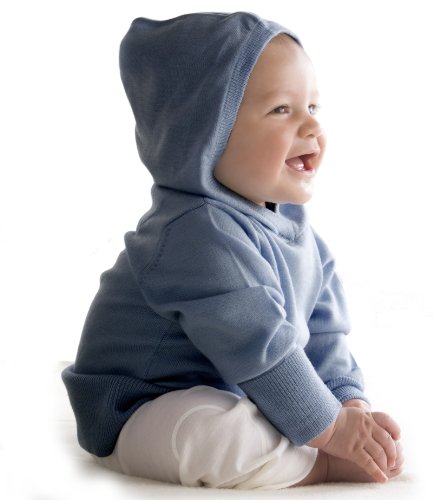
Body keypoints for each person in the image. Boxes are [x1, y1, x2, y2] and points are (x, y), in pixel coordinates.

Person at [61, 11, 404, 489]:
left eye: (312, 106)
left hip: (235, 389)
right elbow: (262, 347)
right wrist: (332, 436)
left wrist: (350, 405)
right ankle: (315, 467)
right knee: (212, 431)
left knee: (258, 413)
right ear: (205, 134)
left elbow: (324, 336)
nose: (310, 125)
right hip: (140, 406)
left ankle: (296, 444)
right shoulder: (196, 233)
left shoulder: (299, 234)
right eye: (281, 110)